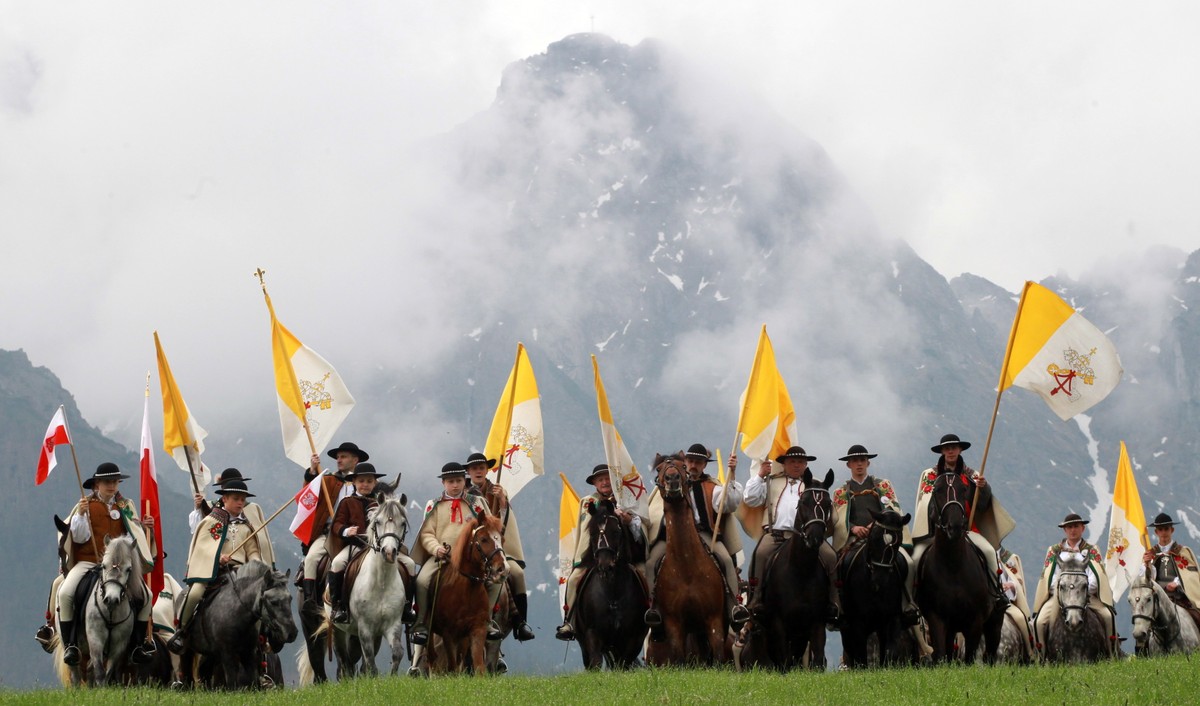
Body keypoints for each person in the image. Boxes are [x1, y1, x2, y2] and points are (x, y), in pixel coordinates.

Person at [55, 463, 157, 666]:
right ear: (96, 485)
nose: (112, 486)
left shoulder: (126, 506)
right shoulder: (85, 505)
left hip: (116, 566)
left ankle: (138, 645)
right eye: (107, 482)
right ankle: (71, 645)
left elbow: (132, 535)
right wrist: (81, 515)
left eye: (115, 482)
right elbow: (79, 537)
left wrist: (145, 528)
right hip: (88, 562)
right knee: (65, 593)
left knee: (147, 596)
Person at [644, 444, 748, 630]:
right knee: (651, 563)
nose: (693, 465)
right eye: (690, 461)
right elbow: (654, 511)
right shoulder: (669, 481)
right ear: (684, 462)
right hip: (671, 536)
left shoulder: (711, 487)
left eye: (698, 462)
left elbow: (728, 504)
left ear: (704, 465)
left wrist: (732, 474)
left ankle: (733, 605)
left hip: (702, 533)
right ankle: (654, 607)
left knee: (726, 560)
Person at [167, 478, 276, 654]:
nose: (240, 503)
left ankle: (260, 640)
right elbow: (202, 548)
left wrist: (257, 565)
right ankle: (182, 631)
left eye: (243, 499)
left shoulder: (247, 527)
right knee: (195, 593)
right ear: (224, 499)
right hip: (214, 572)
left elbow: (252, 551)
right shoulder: (212, 521)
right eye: (236, 498)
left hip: (241, 573)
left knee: (260, 600)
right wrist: (217, 558)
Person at [910, 433, 1012, 612]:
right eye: (947, 448)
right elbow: (924, 504)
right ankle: (911, 601)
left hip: (966, 530)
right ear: (942, 451)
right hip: (935, 533)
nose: (950, 451)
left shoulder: (973, 476)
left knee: (989, 553)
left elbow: (981, 506)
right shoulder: (930, 475)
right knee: (915, 559)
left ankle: (996, 595)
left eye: (954, 448)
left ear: (960, 450)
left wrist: (984, 489)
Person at [741, 446, 840, 626]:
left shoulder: (814, 485)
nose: (796, 465)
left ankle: (835, 602)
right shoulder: (771, 481)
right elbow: (751, 499)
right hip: (776, 534)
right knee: (759, 554)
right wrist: (760, 475)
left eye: (800, 462)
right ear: (784, 464)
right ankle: (755, 599)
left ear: (806, 465)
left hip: (805, 537)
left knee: (831, 557)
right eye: (792, 461)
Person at [831, 444, 921, 627]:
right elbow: (838, 519)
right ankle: (838, 606)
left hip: (883, 537)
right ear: (848, 465)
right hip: (854, 538)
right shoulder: (840, 492)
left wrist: (876, 525)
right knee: (836, 566)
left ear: (868, 463)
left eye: (862, 460)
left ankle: (908, 603)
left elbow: (892, 509)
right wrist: (853, 528)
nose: (859, 464)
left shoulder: (882, 485)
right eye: (855, 461)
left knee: (909, 563)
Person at [555, 464, 647, 641]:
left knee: (644, 573)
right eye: (600, 479)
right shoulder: (588, 502)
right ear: (595, 483)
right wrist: (610, 511)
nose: (605, 482)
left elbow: (640, 529)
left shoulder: (627, 501)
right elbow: (588, 525)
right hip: (593, 555)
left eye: (607, 479)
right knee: (574, 579)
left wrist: (627, 519)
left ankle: (652, 613)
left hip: (625, 555)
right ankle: (569, 621)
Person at [409, 462, 497, 646]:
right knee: (422, 581)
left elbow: (489, 528)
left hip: (471, 558)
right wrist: (436, 549)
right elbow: (426, 534)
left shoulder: (477, 503)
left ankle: (487, 620)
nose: (455, 485)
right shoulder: (434, 505)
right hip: (443, 557)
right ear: (443, 483)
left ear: (464, 481)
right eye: (450, 481)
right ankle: (422, 623)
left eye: (458, 480)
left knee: (495, 580)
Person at [465, 452, 535, 642]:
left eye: (482, 468)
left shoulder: (498, 492)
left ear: (487, 470)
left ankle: (520, 623)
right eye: (474, 468)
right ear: (469, 472)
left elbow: (504, 526)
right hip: (473, 550)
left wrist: (502, 502)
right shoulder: (464, 493)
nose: (478, 471)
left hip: (496, 548)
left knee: (517, 573)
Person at [1031, 513, 1118, 657]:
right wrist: (1063, 591)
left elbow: (1097, 576)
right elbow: (1049, 577)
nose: (1073, 530)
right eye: (1069, 527)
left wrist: (1082, 590)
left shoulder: (1092, 550)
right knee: (1039, 622)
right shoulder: (1054, 551)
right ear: (1064, 530)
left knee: (1108, 616)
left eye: (1076, 526)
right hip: (1059, 597)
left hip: (1086, 595)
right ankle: (1041, 657)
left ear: (1082, 528)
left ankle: (1112, 653)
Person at [300, 441, 368, 603]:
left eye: (343, 457)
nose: (339, 460)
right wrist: (312, 471)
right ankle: (309, 600)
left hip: (358, 536)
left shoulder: (365, 484)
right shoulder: (328, 480)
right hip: (328, 534)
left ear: (355, 460)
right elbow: (308, 495)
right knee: (311, 559)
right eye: (338, 457)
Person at [328, 463, 388, 623]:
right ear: (354, 482)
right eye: (361, 481)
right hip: (355, 546)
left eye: (369, 481)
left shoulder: (382, 504)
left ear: (375, 483)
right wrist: (346, 530)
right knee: (337, 563)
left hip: (379, 547)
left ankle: (405, 606)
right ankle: (338, 606)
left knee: (407, 564)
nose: (365, 484)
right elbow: (336, 524)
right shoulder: (347, 502)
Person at [1143, 513, 1200, 618]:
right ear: (1156, 532)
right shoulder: (1150, 554)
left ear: (1172, 530)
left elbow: (1191, 576)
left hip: (1179, 598)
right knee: (1141, 621)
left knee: (1197, 618)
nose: (1164, 532)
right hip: (1157, 599)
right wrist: (1146, 564)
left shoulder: (1182, 552)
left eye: (1166, 529)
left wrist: (1176, 583)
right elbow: (1145, 579)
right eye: (1160, 529)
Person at [188, 468, 256, 534]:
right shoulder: (209, 507)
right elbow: (199, 531)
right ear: (222, 488)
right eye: (235, 498)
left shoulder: (254, 509)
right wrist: (198, 509)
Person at [998, 545, 1036, 661]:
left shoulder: (1009, 558)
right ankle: (957, 652)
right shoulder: (978, 554)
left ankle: (1030, 653)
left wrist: (1010, 585)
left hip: (1005, 602)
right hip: (982, 603)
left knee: (1020, 618)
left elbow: (1017, 580)